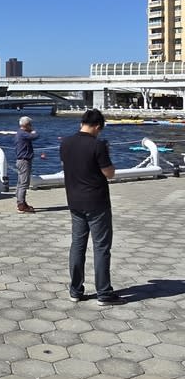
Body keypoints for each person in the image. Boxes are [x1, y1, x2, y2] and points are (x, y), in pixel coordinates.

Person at [60, 109, 124, 306]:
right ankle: (104, 293)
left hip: (74, 201)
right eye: (100, 130)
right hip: (97, 202)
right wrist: (107, 154)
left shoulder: (65, 143)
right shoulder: (98, 145)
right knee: (101, 247)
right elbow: (109, 173)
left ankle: (75, 290)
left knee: (77, 245)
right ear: (97, 126)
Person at [15, 116, 39, 213]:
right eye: (30, 125)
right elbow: (35, 136)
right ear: (27, 125)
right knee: (24, 183)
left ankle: (21, 202)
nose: (31, 126)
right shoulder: (23, 134)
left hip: (20, 160)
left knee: (20, 183)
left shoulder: (19, 133)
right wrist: (33, 131)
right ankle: (21, 205)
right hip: (24, 160)